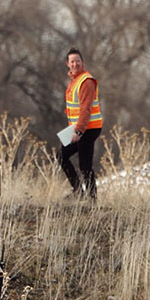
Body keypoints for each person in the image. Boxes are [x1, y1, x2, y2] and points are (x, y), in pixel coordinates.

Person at [57, 48, 103, 198]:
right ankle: (78, 191)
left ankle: (91, 199)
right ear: (67, 64)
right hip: (80, 128)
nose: (75, 64)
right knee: (61, 156)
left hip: (88, 129)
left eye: (78, 61)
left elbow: (86, 109)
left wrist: (79, 131)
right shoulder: (74, 81)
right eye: (72, 61)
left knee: (85, 165)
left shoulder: (86, 81)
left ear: (82, 62)